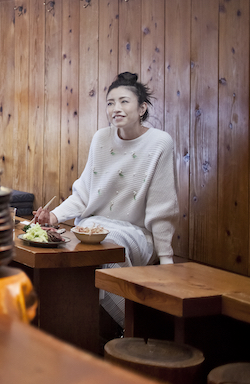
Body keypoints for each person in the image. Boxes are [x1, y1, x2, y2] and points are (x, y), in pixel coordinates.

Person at [34, 71, 179, 328]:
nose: (116, 108)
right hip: (92, 227)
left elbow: (162, 206)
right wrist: (54, 216)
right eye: (110, 103)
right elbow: (85, 193)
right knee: (65, 247)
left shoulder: (160, 143)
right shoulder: (101, 138)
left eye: (124, 101)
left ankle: (133, 327)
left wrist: (166, 259)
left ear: (142, 107)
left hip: (137, 234)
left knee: (106, 251)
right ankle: (73, 330)